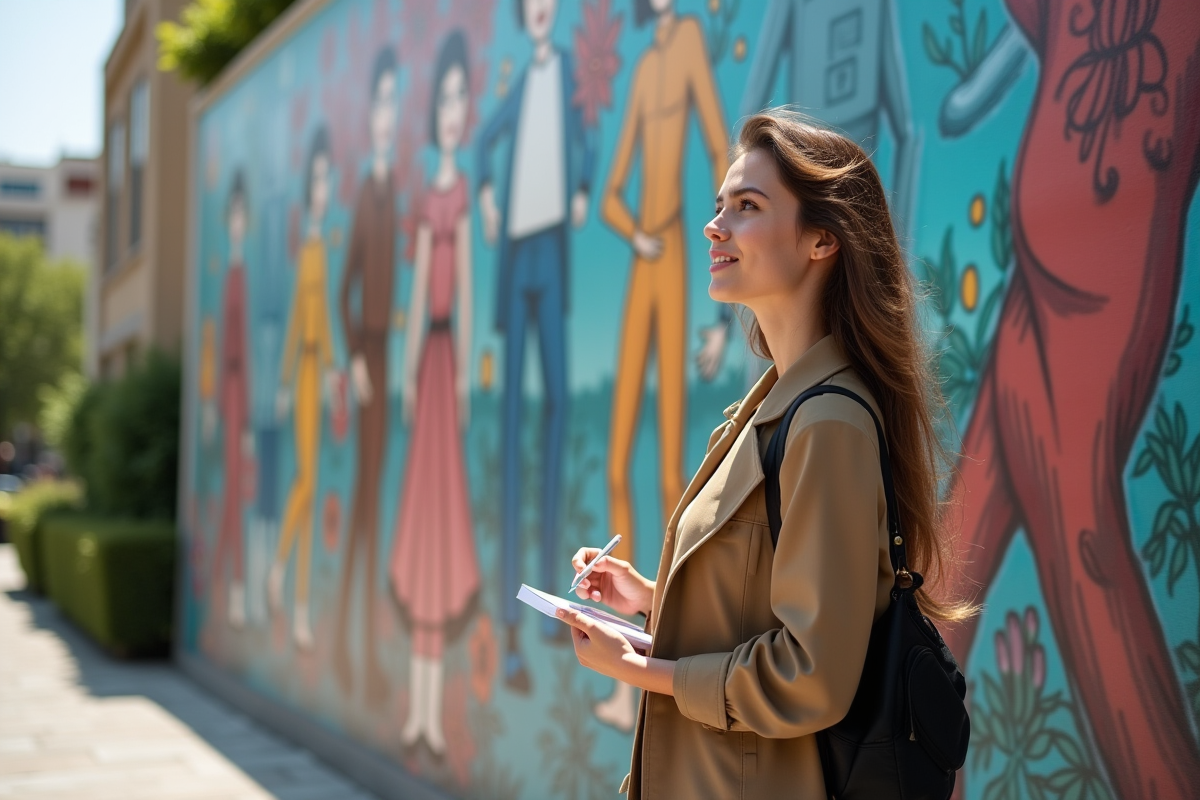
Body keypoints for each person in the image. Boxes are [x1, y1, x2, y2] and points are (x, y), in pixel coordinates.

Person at [555, 111, 971, 798]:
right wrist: (651, 600)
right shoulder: (773, 405)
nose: (715, 225)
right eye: (720, 205)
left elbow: (812, 673)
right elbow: (770, 614)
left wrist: (639, 668)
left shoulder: (827, 422)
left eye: (746, 207)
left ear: (821, 240)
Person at [596, 0, 728, 733]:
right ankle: (626, 666)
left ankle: (662, 662)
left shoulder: (689, 53)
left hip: (678, 255)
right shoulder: (646, 64)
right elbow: (612, 190)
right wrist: (630, 233)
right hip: (646, 260)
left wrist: (716, 315)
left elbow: (718, 150)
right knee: (617, 462)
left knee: (673, 470)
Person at [475, 0, 595, 693]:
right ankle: (510, 616)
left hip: (551, 251)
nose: (543, 13)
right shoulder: (519, 87)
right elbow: (481, 145)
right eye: (534, 7)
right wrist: (488, 195)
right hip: (517, 254)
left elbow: (589, 138)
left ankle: (551, 605)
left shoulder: (572, 76)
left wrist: (581, 188)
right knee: (517, 424)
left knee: (553, 415)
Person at [389, 30, 481, 758]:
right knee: (422, 532)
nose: (454, 110)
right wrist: (408, 370)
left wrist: (466, 372)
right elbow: (421, 288)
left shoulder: (465, 196)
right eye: (444, 97)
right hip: (428, 376)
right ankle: (419, 714)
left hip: (450, 374)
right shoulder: (429, 196)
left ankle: (430, 713)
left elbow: (469, 292)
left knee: (444, 532)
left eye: (461, 96)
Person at [334, 45, 399, 703]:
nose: (386, 116)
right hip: (369, 366)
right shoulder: (366, 195)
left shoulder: (395, 191)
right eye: (378, 104)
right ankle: (351, 650)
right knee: (363, 510)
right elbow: (342, 290)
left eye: (392, 104)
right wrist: (355, 360)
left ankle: (359, 651)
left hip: (392, 362)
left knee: (374, 512)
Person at [269, 126, 337, 651]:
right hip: (308, 373)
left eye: (326, 178)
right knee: (306, 484)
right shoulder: (311, 249)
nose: (323, 186)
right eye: (316, 178)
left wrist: (335, 369)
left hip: (324, 373)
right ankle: (283, 574)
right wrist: (289, 381)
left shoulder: (326, 244)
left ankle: (290, 590)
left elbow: (330, 317)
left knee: (312, 489)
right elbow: (298, 319)